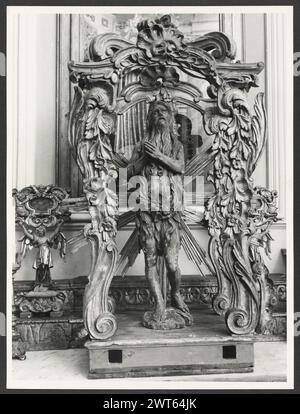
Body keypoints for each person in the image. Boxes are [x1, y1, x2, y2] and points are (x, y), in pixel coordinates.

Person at [128, 100, 192, 329]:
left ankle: (175, 293)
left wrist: (159, 156)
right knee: (151, 261)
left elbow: (181, 167)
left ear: (171, 118)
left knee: (173, 264)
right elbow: (129, 173)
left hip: (170, 216)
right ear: (149, 120)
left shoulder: (176, 145)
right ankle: (159, 304)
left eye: (163, 111)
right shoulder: (140, 146)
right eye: (155, 112)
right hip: (147, 215)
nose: (159, 115)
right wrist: (146, 156)